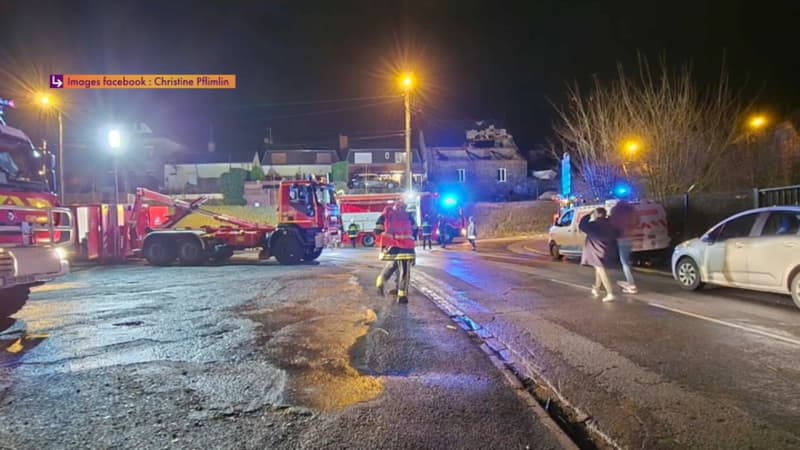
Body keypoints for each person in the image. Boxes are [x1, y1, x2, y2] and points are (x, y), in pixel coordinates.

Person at [374, 198, 417, 304]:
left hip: (392, 247)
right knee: (404, 272)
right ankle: (402, 296)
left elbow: (377, 230)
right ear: (404, 207)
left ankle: (380, 282)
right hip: (406, 247)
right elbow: (415, 229)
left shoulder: (386, 214)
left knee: (392, 266)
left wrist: (388, 238)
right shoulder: (409, 216)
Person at [579, 207, 620, 302]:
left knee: (601, 271)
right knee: (598, 269)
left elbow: (582, 225)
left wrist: (588, 215)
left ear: (598, 214)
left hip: (596, 251)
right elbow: (617, 234)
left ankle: (610, 293)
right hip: (608, 250)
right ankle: (596, 288)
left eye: (595, 213)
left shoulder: (593, 225)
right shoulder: (611, 224)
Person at [610, 201, 638, 294]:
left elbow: (613, 224)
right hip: (631, 237)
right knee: (627, 261)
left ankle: (631, 284)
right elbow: (637, 221)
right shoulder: (632, 211)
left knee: (625, 262)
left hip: (621, 238)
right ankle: (629, 281)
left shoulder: (615, 211)